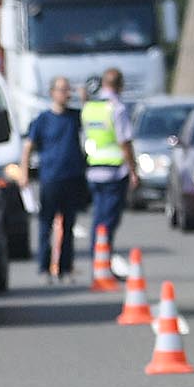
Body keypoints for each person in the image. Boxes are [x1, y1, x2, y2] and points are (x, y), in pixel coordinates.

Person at [22, 76, 88, 280]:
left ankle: (66, 267)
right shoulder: (43, 120)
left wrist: (85, 99)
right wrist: (24, 171)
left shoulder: (74, 116)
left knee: (68, 225)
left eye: (67, 90)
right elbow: (28, 147)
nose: (65, 94)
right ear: (52, 92)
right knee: (45, 225)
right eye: (61, 90)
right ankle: (44, 267)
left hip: (72, 177)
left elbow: (90, 120)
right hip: (50, 178)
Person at [82, 66, 137, 255]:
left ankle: (97, 257)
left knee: (99, 216)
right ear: (120, 86)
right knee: (109, 220)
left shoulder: (90, 108)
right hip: (114, 172)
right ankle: (102, 258)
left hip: (94, 169)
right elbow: (125, 142)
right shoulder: (117, 108)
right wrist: (133, 170)